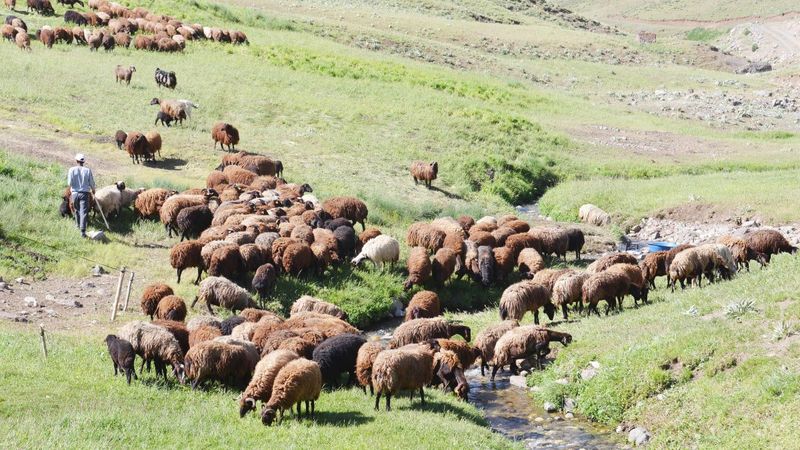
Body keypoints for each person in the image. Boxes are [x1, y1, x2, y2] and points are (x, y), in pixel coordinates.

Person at [66, 153, 95, 238]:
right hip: (84, 194)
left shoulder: (71, 170)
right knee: (84, 212)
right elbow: (91, 182)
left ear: (76, 161)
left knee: (77, 210)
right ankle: (83, 231)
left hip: (74, 193)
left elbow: (69, 183)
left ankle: (77, 226)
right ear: (84, 162)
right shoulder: (87, 170)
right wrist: (93, 190)